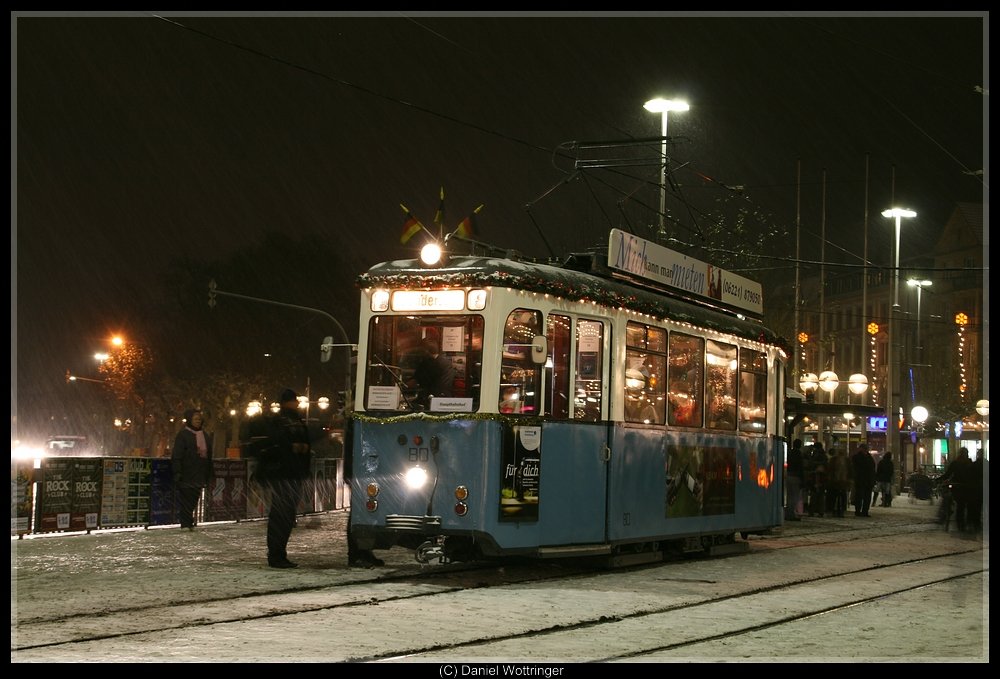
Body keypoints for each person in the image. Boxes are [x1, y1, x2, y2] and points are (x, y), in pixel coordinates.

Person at [250, 388, 314, 568]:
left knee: (284, 515)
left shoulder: (286, 421)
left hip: (288, 473)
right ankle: (277, 554)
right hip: (288, 473)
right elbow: (281, 445)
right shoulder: (290, 421)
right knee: (282, 515)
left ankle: (278, 553)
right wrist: (295, 450)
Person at [343, 416, 385, 568]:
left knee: (364, 512)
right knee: (359, 513)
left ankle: (364, 551)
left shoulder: (356, 420)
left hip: (360, 472)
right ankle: (355, 554)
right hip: (359, 473)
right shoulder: (358, 420)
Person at [171, 408, 214, 530]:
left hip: (200, 473)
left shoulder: (204, 435)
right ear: (189, 420)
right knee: (187, 500)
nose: (198, 421)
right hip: (186, 473)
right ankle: (186, 524)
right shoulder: (183, 435)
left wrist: (209, 472)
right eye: (195, 419)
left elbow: (209, 456)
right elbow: (177, 455)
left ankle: (188, 522)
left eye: (199, 419)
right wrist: (177, 471)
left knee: (194, 499)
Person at [411, 336, 455, 407]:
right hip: (445, 401)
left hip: (429, 400)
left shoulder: (426, 364)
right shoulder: (447, 363)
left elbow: (415, 382)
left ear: (426, 350)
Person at [938, 447, 974, 532]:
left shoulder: (956, 463)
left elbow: (947, 474)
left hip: (958, 487)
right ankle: (966, 523)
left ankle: (957, 522)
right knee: (965, 506)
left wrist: (939, 480)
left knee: (957, 505)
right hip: (967, 488)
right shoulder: (969, 463)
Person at [825, 447, 851, 518]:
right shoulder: (837, 460)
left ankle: (839, 510)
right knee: (837, 496)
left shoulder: (837, 460)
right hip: (837, 481)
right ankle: (836, 510)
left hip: (841, 481)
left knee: (840, 497)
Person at [851, 443, 876, 517]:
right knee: (859, 496)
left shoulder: (869, 457)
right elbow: (856, 468)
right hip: (860, 480)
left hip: (868, 480)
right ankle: (858, 511)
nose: (865, 450)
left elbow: (872, 469)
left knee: (867, 497)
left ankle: (865, 511)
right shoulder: (857, 457)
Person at [804, 442, 828, 517]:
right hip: (822, 477)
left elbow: (811, 463)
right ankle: (820, 511)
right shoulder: (824, 455)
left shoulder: (816, 455)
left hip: (816, 476)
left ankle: (812, 511)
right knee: (820, 494)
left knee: (814, 495)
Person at [784, 439, 804, 521]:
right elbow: (801, 467)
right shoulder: (799, 454)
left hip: (788, 475)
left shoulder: (789, 453)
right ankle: (792, 513)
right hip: (796, 477)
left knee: (789, 496)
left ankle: (788, 513)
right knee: (795, 496)